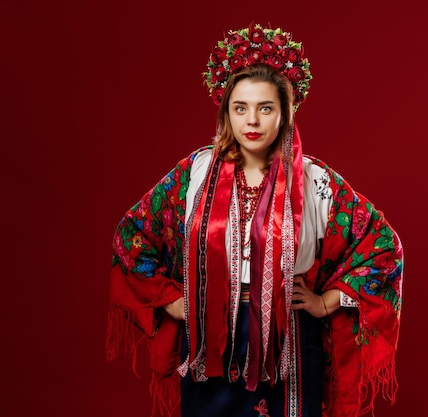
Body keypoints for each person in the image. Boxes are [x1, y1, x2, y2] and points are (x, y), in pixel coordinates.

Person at [106, 24, 404, 417]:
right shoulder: (193, 173)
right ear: (226, 112)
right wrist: (174, 301)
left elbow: (383, 246)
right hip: (209, 339)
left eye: (265, 108)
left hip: (288, 340)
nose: (252, 121)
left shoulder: (315, 181)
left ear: (285, 113)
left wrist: (326, 302)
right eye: (240, 107)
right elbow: (131, 235)